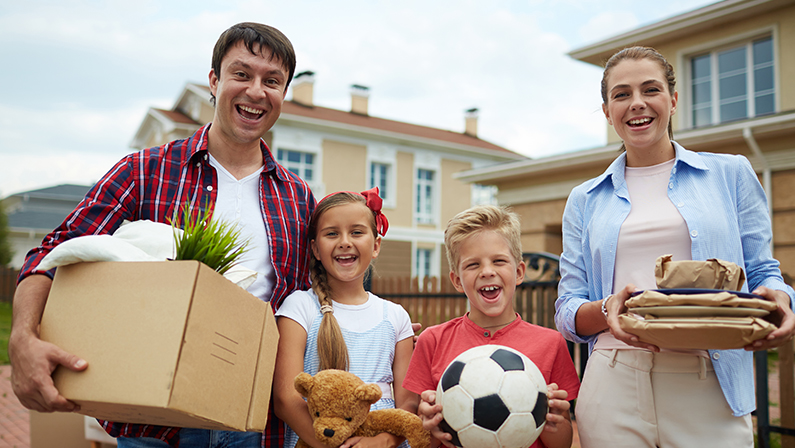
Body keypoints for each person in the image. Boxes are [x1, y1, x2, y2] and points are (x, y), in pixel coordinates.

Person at [8, 22, 316, 448]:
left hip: (257, 424)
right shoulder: (143, 172)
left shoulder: (297, 196)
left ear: (284, 94)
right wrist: (22, 337)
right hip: (154, 423)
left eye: (272, 81)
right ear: (214, 80)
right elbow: (51, 254)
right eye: (242, 74)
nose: (256, 91)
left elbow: (311, 301)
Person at [555, 46, 795, 448]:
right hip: (613, 381)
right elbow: (567, 311)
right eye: (621, 94)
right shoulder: (585, 198)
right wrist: (609, 308)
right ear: (606, 110)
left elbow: (764, 272)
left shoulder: (730, 174)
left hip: (709, 384)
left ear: (673, 100)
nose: (637, 104)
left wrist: (783, 300)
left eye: (650, 89)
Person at [404, 205, 580, 448]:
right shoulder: (432, 340)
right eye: (472, 265)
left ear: (519, 272)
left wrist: (553, 421)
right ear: (457, 280)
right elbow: (420, 441)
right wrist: (430, 426)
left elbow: (562, 443)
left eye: (498, 261)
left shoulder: (551, 343)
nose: (487, 272)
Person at [272, 188, 418, 448]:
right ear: (315, 249)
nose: (344, 241)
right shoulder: (299, 308)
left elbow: (407, 403)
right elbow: (286, 399)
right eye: (332, 233)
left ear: (376, 245)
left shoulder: (395, 316)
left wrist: (383, 442)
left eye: (357, 232)